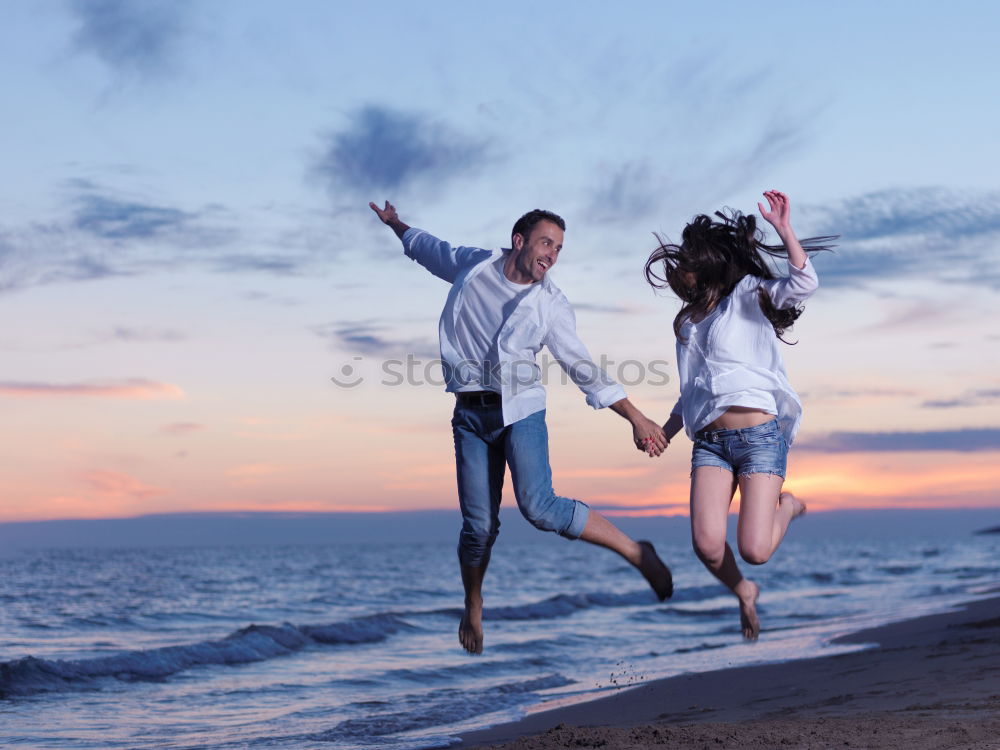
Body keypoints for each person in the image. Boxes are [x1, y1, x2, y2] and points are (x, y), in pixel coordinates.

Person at [370, 200, 674, 654]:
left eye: (559, 248)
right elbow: (427, 248)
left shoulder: (550, 304)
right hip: (469, 414)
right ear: (520, 241)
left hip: (521, 410)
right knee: (478, 527)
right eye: (546, 243)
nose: (552, 254)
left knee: (539, 507)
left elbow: (581, 365)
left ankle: (635, 552)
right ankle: (473, 602)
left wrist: (635, 416)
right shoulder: (474, 266)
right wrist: (396, 224)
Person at [645, 190, 836, 640]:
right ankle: (744, 591)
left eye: (690, 259)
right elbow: (691, 393)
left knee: (755, 548)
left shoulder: (749, 295)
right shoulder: (689, 321)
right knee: (707, 546)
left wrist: (785, 231)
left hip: (759, 438)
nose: (682, 268)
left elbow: (803, 284)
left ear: (708, 262)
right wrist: (667, 432)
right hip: (710, 443)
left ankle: (786, 506)